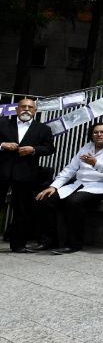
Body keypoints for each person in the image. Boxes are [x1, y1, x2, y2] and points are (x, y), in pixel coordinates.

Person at [35, 122, 103, 254]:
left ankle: (73, 244)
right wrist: (53, 186)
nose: (99, 134)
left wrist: (96, 163)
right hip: (81, 184)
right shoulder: (86, 147)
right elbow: (70, 169)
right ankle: (49, 241)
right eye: (95, 132)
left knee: (73, 202)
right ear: (91, 135)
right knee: (46, 199)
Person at [0, 98, 55, 253]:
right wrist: (2, 145)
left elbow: (50, 149)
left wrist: (34, 150)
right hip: (1, 172)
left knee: (22, 210)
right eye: (22, 107)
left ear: (35, 111)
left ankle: (18, 245)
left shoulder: (43, 129)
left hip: (26, 174)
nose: (26, 109)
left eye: (30, 107)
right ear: (16, 110)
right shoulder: (3, 124)